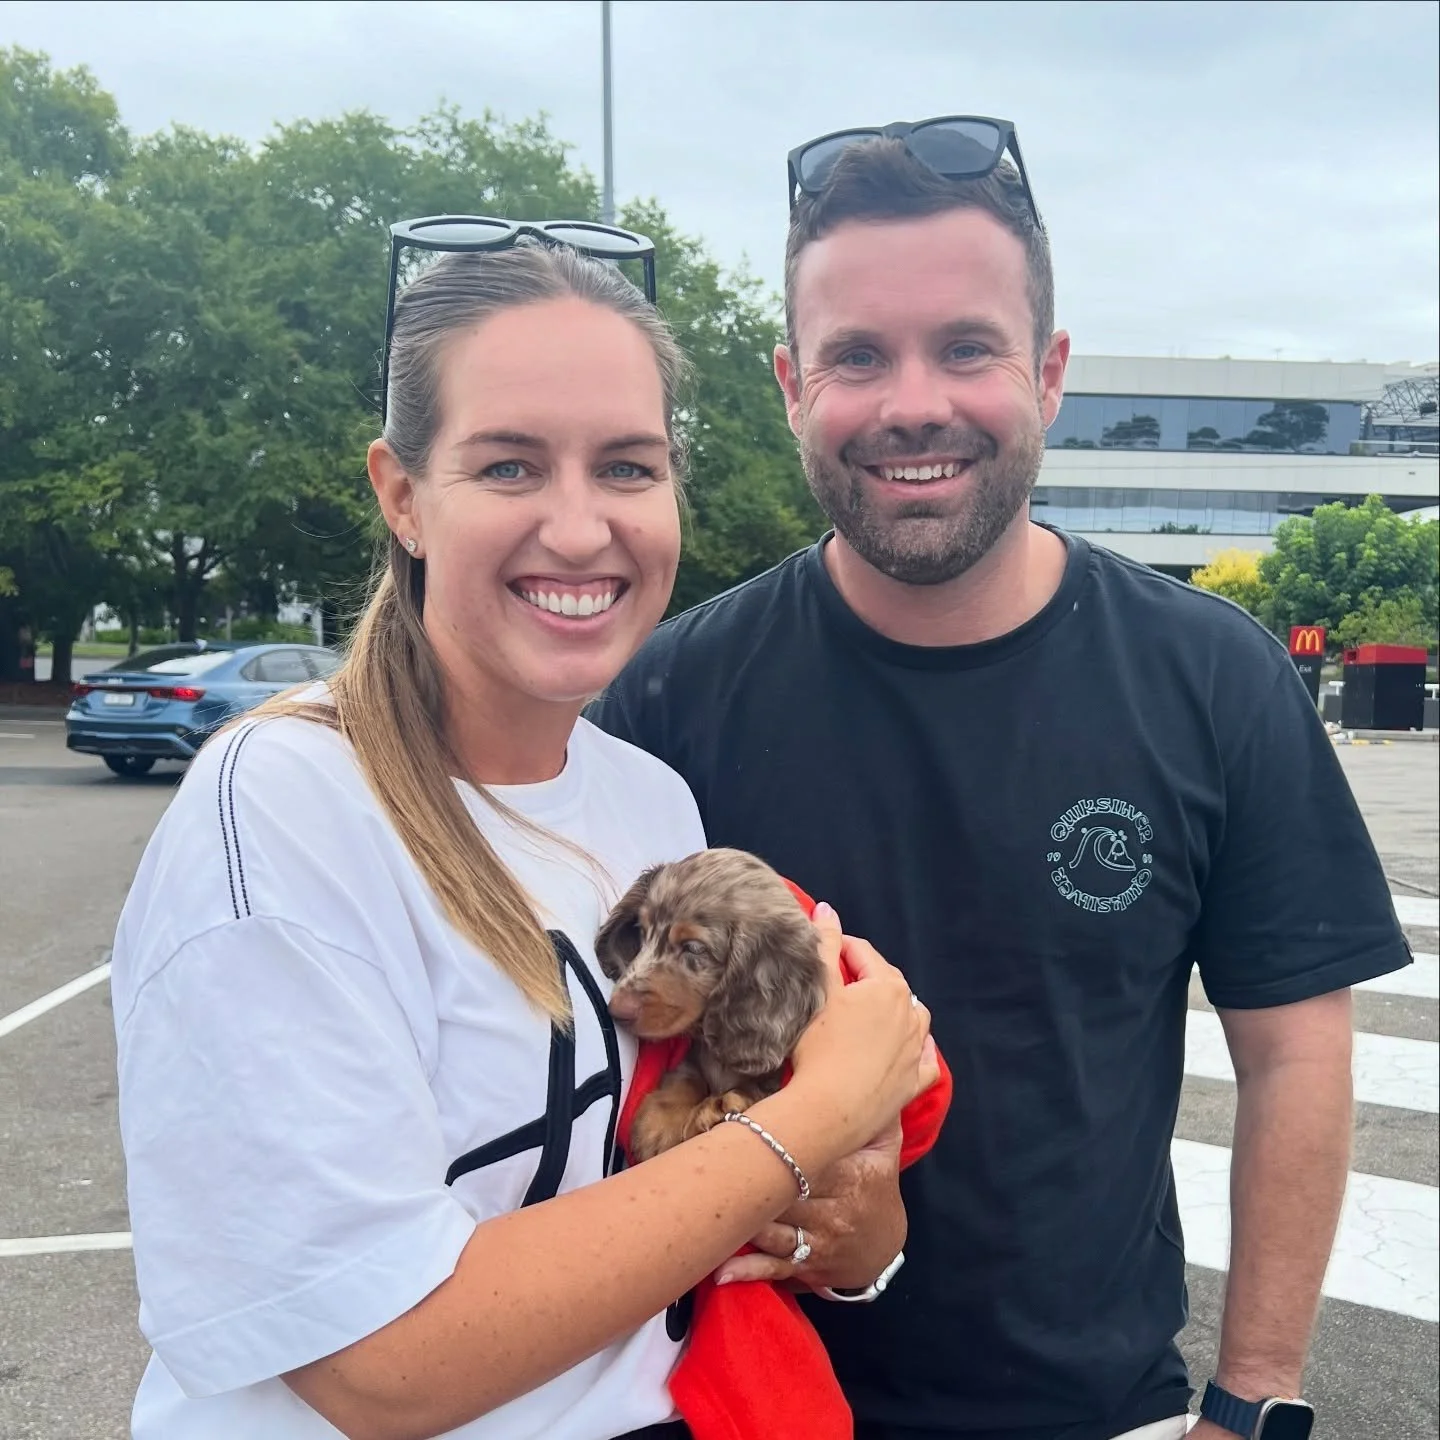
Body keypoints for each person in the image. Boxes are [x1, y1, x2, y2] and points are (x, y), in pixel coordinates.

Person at [587, 121, 1413, 1440]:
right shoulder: (667, 698)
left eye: (966, 346)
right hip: (726, 1399)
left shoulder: (1214, 679)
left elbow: (1295, 1057)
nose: (914, 401)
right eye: (858, 355)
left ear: (1050, 372)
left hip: (1093, 1411)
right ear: (793, 383)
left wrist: (1253, 1399)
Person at [110, 232, 936, 1440]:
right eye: (508, 467)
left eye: (627, 468)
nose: (581, 527)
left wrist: (858, 1227)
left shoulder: (651, 803)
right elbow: (384, 1368)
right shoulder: (287, 808)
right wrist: (811, 1121)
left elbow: (692, 1178)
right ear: (402, 495)